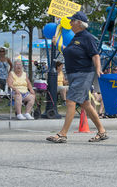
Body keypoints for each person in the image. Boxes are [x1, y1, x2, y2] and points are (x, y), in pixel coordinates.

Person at [46, 11, 108, 143]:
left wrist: (98, 69)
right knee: (85, 104)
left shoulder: (87, 37)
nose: (69, 22)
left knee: (70, 101)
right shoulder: (75, 37)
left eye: (72, 20)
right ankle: (102, 131)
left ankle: (63, 134)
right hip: (74, 74)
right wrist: (57, 43)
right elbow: (68, 51)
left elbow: (95, 55)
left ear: (79, 23)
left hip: (83, 74)